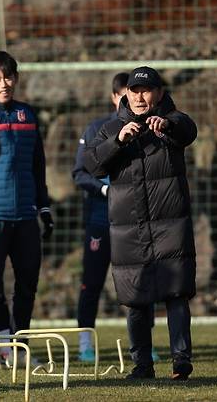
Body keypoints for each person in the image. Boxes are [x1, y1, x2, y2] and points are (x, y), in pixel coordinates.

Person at [84, 66, 196, 380]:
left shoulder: (172, 121)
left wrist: (168, 126)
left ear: (159, 93)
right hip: (129, 229)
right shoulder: (109, 129)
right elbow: (90, 164)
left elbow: (188, 129)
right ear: (126, 94)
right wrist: (117, 142)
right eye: (134, 90)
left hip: (169, 225)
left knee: (176, 293)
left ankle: (181, 362)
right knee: (136, 299)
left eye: (146, 90)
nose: (140, 96)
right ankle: (142, 365)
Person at [72, 72, 161, 363]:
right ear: (115, 98)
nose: (133, 100)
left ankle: (145, 343)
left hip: (135, 221)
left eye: (138, 94)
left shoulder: (149, 127)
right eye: (125, 95)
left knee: (141, 281)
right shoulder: (98, 128)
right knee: (92, 281)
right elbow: (80, 173)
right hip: (101, 220)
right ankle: (86, 342)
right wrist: (105, 189)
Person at [0, 50, 53, 368]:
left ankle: (19, 349)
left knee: (27, 284)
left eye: (8, 77)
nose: (3, 84)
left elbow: (38, 165)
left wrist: (44, 208)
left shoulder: (27, 115)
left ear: (16, 78)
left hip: (25, 214)